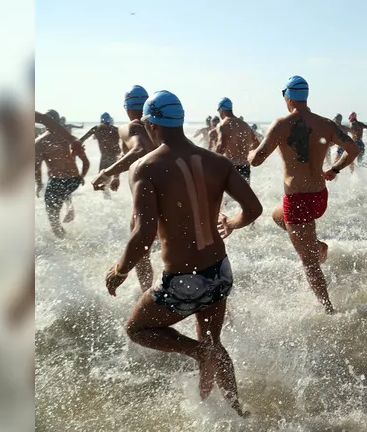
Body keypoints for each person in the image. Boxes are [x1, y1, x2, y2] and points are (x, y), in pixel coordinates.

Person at [104, 90, 262, 419]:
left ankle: (198, 353)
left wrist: (118, 272)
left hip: (183, 281)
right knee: (214, 342)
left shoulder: (145, 168)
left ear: (150, 124)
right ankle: (237, 412)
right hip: (219, 272)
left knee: (137, 330)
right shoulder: (216, 162)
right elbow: (253, 208)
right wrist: (230, 222)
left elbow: (143, 235)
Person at [248, 76, 360, 313]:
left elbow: (257, 160)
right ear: (305, 97)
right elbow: (354, 148)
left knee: (309, 264)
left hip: (298, 199)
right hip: (319, 196)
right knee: (278, 216)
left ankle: (329, 310)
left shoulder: (281, 124)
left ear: (287, 97)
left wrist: (248, 153)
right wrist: (335, 169)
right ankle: (317, 246)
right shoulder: (326, 124)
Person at [91, 85, 158, 291]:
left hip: (147, 199)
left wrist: (106, 173)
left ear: (126, 107)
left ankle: (147, 296)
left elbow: (139, 149)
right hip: (173, 194)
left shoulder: (130, 127)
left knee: (141, 252)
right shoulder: (160, 126)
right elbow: (127, 155)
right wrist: (118, 175)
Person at [36, 110, 90, 238]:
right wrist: (81, 177)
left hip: (56, 180)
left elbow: (36, 168)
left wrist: (39, 184)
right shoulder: (69, 139)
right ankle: (70, 206)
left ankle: (65, 244)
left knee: (54, 221)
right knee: (63, 190)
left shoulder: (40, 142)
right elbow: (86, 162)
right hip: (74, 180)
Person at [215, 98, 260, 184]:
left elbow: (221, 147)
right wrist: (247, 154)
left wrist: (210, 163)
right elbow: (257, 144)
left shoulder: (224, 124)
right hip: (245, 167)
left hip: (231, 167)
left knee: (227, 196)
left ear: (221, 110)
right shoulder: (245, 125)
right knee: (243, 195)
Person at [79, 113, 123, 195]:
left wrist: (79, 149)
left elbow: (81, 140)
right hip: (116, 158)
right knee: (113, 180)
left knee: (102, 182)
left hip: (104, 158)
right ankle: (115, 203)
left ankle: (108, 201)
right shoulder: (116, 130)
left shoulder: (96, 129)